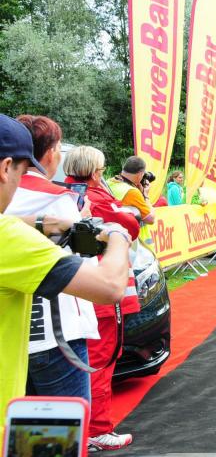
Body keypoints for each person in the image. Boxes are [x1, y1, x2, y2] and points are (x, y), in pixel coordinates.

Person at [0, 114, 130, 446]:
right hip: (54, 337)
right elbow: (108, 286)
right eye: (20, 172)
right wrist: (118, 235)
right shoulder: (9, 236)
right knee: (52, 444)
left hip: (25, 349)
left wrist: (41, 223)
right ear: (5, 168)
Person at [5, 116, 98, 406]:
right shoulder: (57, 199)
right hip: (56, 333)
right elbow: (96, 277)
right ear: (48, 153)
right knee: (61, 424)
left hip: (13, 339)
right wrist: (102, 231)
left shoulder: (12, 200)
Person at [62, 145, 141, 452]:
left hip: (70, 291)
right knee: (101, 360)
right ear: (95, 172)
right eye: (101, 169)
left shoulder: (63, 194)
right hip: (100, 289)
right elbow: (131, 225)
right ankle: (97, 429)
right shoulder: (95, 197)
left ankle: (86, 428)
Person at [106, 156, 155, 224]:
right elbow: (150, 219)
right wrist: (145, 195)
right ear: (140, 174)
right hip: (130, 229)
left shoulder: (108, 182)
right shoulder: (132, 192)